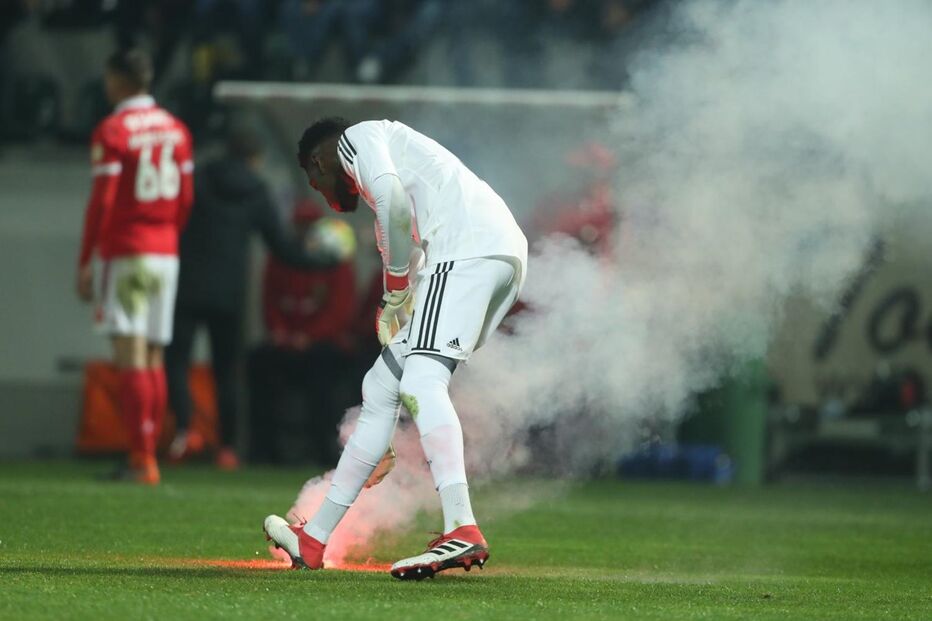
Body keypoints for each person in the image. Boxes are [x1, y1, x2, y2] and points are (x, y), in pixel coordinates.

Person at [263, 118, 528, 580]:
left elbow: (394, 205)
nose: (325, 194)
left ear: (320, 162)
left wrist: (395, 291)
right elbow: (406, 218)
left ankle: (461, 526)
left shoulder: (356, 140)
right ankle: (314, 538)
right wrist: (407, 293)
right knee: (382, 384)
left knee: (423, 380)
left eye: (315, 181)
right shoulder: (393, 148)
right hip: (492, 253)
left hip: (469, 250)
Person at [165, 128, 336, 469]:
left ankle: (184, 432)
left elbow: (173, 222)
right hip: (229, 295)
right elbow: (283, 248)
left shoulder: (198, 180)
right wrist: (325, 260)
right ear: (255, 159)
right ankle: (227, 447)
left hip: (187, 287)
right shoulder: (257, 191)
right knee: (226, 370)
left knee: (176, 362)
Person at [76, 48, 194, 485]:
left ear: (118, 81)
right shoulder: (177, 130)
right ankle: (148, 452)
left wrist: (87, 258)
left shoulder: (112, 129)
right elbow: (185, 198)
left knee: (130, 353)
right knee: (154, 355)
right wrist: (168, 236)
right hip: (165, 250)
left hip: (127, 250)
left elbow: (103, 200)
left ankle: (141, 457)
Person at [247, 203, 358, 465]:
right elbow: (270, 302)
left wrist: (309, 336)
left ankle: (325, 451)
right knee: (258, 364)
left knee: (324, 378)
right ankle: (264, 451)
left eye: (310, 227)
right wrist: (280, 332)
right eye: (300, 226)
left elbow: (340, 311)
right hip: (286, 344)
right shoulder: (281, 258)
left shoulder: (335, 259)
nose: (304, 232)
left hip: (322, 345)